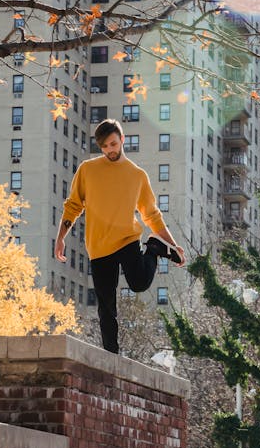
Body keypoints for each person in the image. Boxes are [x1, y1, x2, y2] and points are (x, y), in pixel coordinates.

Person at [55, 118, 185, 354]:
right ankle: (111, 358)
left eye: (113, 144)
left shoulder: (137, 175)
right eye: (104, 147)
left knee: (139, 283)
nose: (110, 151)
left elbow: (152, 215)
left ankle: (154, 248)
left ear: (122, 140)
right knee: (106, 307)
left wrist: (172, 245)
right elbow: (73, 205)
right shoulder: (87, 170)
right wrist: (61, 237)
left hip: (127, 239)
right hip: (99, 246)